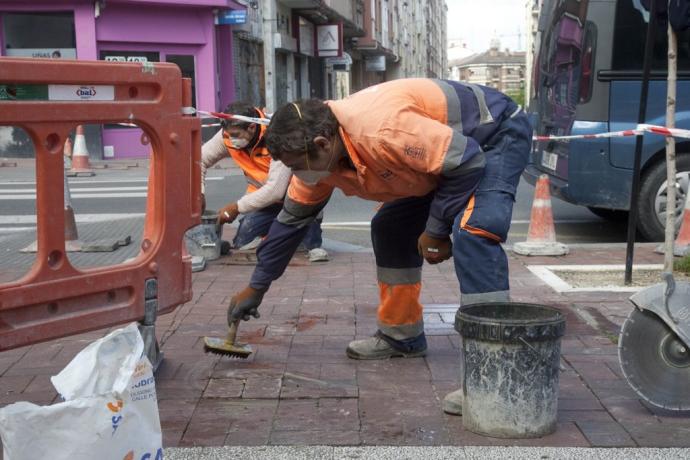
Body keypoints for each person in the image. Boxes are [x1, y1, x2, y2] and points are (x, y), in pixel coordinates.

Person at [223, 79, 532, 416]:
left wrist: (437, 230)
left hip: (493, 136)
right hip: (444, 157)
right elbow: (289, 225)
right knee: (390, 227)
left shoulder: (383, 132)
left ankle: (495, 373)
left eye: (296, 165)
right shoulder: (320, 158)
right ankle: (402, 336)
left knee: (475, 232)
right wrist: (257, 286)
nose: (296, 174)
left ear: (322, 144)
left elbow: (466, 161)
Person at [200, 101, 328, 262]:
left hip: (296, 196)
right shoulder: (227, 135)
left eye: (236, 135)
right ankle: (279, 234)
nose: (231, 140)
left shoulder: (276, 135)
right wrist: (200, 192)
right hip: (264, 200)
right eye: (228, 135)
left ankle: (308, 234)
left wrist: (236, 208)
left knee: (308, 246)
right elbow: (200, 160)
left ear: (252, 128)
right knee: (243, 242)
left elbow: (276, 190)